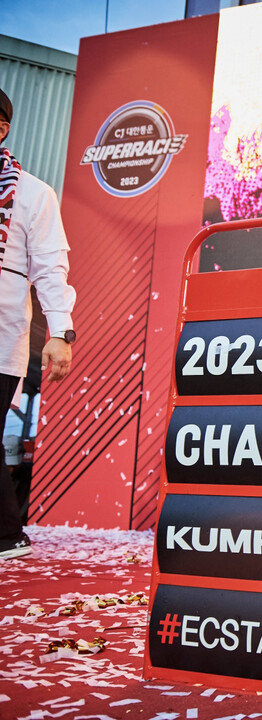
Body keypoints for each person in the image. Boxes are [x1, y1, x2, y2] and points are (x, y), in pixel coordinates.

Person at [0, 88, 77, 560]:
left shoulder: (32, 193)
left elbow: (51, 268)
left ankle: (7, 536)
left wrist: (61, 333)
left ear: (2, 128)